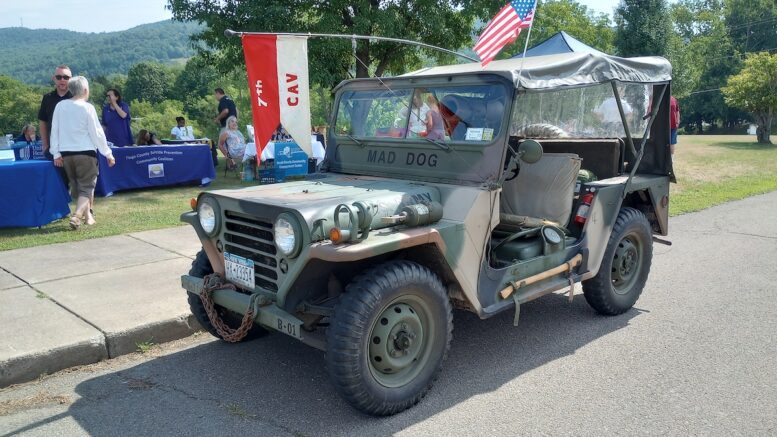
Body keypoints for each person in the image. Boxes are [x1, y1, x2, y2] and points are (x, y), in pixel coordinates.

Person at [50, 76, 116, 229]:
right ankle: (77, 216)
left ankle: (88, 217)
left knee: (78, 188)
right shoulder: (88, 107)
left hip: (66, 155)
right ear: (85, 90)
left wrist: (56, 153)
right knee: (87, 187)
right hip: (85, 154)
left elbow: (55, 131)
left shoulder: (60, 106)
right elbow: (97, 133)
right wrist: (108, 153)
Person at [38, 65, 73, 184]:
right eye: (59, 77)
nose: (62, 80)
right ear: (54, 78)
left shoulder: (77, 98)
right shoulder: (47, 98)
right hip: (53, 148)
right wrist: (45, 145)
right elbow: (42, 122)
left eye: (66, 77)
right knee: (58, 183)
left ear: (71, 79)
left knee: (76, 185)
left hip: (74, 147)